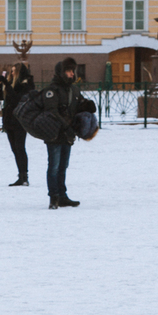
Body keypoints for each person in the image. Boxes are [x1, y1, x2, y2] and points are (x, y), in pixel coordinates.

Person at [39, 58, 92, 208]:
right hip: (54, 134)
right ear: (61, 73)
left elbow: (77, 105)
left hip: (68, 135)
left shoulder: (73, 89)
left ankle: (62, 196)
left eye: (72, 71)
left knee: (63, 166)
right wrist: (65, 125)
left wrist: (86, 106)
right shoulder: (52, 90)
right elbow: (51, 112)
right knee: (54, 166)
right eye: (68, 71)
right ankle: (54, 197)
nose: (71, 74)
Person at [0, 62, 35, 186]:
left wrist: (6, 84)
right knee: (15, 149)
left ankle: (24, 176)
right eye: (11, 71)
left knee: (20, 147)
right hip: (9, 120)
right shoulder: (11, 84)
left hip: (20, 120)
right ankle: (21, 175)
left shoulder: (26, 84)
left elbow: (16, 99)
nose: (12, 73)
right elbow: (0, 97)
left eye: (14, 71)